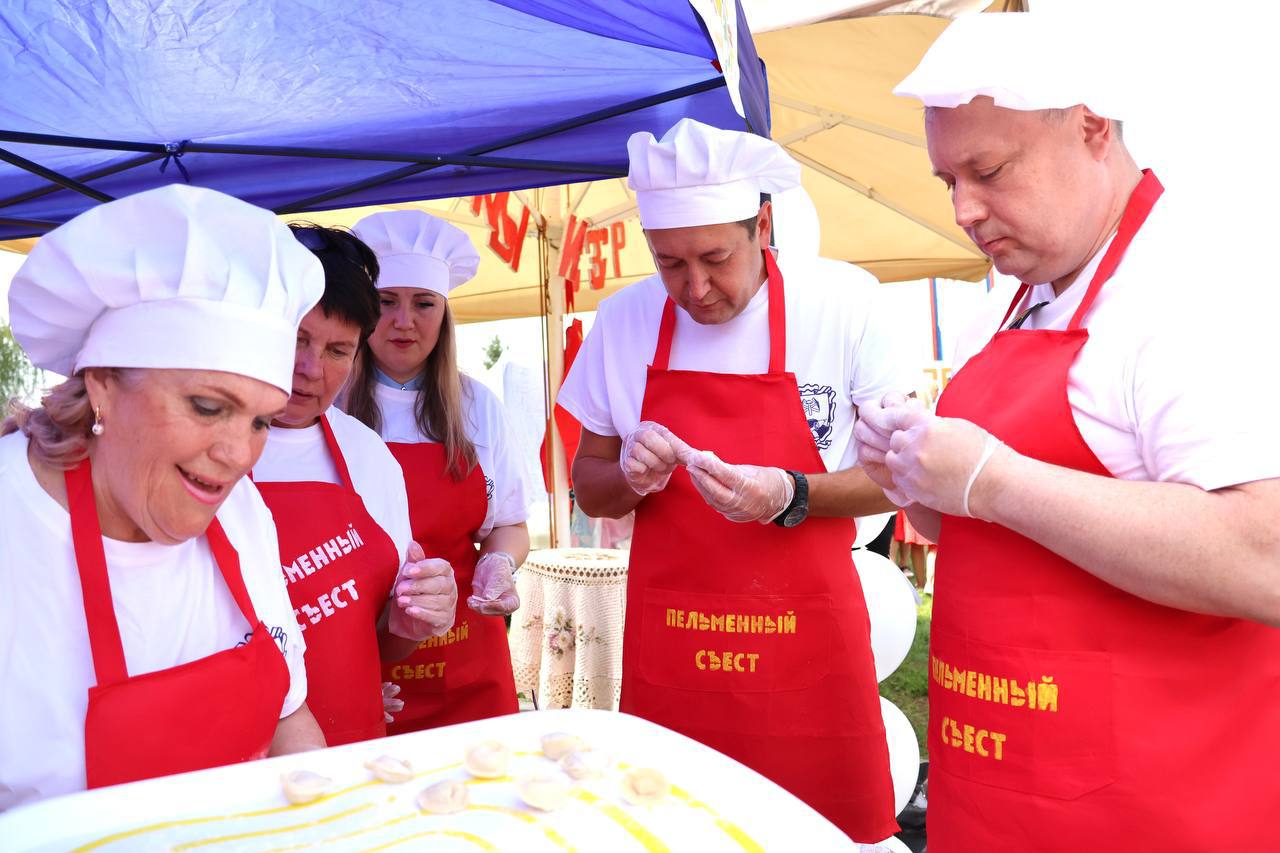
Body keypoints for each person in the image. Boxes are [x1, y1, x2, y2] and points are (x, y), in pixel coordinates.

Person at [855, 14, 1280, 851]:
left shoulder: (1190, 283)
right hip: (1001, 797)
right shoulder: (1012, 298)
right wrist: (921, 481)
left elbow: (1266, 555)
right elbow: (984, 539)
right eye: (947, 179)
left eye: (989, 170)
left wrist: (996, 478)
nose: (964, 210)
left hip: (1151, 814)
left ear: (1090, 126)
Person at [557, 117, 911, 842]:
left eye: (716, 256)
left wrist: (793, 491)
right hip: (677, 658)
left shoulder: (844, 305)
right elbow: (587, 485)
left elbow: (898, 476)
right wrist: (627, 475)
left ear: (764, 224)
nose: (696, 287)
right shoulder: (622, 323)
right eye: (669, 263)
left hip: (807, 659)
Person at [0, 185, 327, 809]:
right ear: (102, 387)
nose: (237, 456)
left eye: (261, 421)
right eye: (208, 407)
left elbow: (288, 717)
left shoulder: (241, 513)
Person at [251, 224, 459, 746]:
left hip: (351, 746)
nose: (309, 369)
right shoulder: (202, 453)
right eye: (297, 339)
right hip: (235, 757)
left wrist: (414, 621)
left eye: (338, 351)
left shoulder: (369, 457)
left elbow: (384, 637)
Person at [346, 210, 531, 733]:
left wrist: (500, 565)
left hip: (470, 665)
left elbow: (510, 526)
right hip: (367, 661)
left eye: (424, 304)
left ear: (445, 314)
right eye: (386, 303)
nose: (405, 321)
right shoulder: (328, 403)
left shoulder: (478, 405)